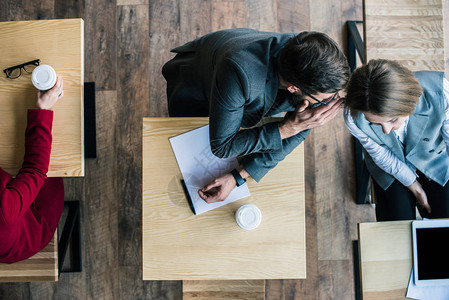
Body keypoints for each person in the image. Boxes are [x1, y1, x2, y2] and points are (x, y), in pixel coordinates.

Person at [162, 28, 350, 203]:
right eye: (325, 98)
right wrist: (286, 129)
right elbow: (222, 146)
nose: (331, 102)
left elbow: (301, 126)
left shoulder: (308, 60)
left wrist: (238, 176)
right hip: (197, 88)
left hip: (239, 87)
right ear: (293, 88)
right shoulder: (239, 72)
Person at [344, 59, 449, 221]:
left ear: (409, 104)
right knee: (398, 225)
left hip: (435, 157)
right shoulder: (353, 115)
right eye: (375, 123)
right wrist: (414, 187)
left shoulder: (440, 92)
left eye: (392, 120)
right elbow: (380, 155)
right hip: (390, 166)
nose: (386, 130)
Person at [0, 77, 65, 263]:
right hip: (36, 216)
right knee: (55, 159)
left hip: (9, 223)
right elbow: (35, 169)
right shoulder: (4, 210)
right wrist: (42, 110)